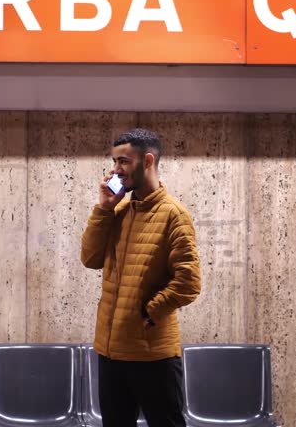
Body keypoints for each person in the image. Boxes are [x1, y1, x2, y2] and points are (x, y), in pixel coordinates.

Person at [80, 128, 201, 427]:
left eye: (123, 161)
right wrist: (103, 208)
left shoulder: (174, 214)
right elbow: (90, 259)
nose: (116, 170)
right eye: (114, 161)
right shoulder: (117, 211)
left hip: (152, 357)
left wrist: (149, 311)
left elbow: (189, 282)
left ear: (147, 161)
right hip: (110, 352)